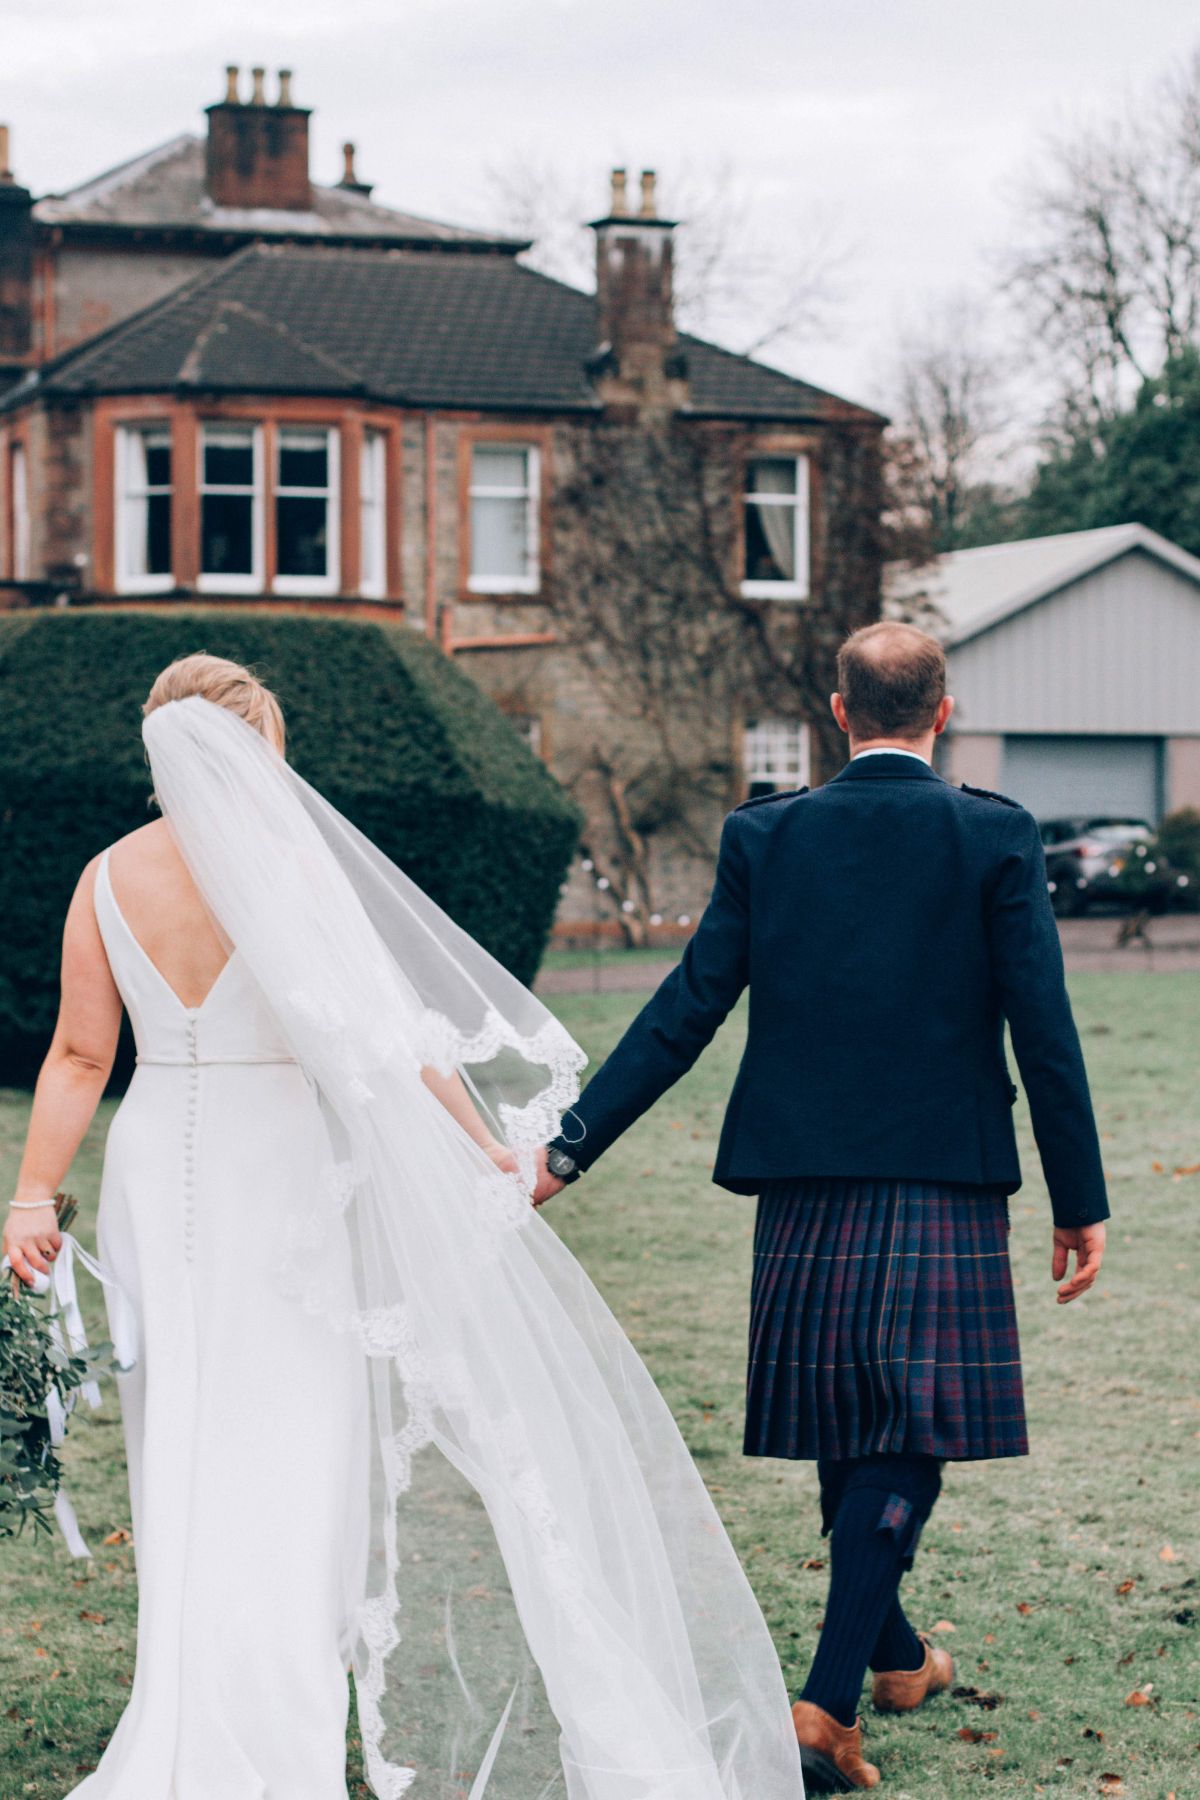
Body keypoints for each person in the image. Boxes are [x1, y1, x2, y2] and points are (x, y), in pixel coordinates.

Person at [3, 654, 803, 1800]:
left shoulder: (103, 877)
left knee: (180, 1440)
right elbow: (388, 1036)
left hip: (155, 1167)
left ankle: (188, 1713)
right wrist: (480, 1148)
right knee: (294, 1447)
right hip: (275, 1170)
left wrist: (31, 1197)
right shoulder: (286, 864)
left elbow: (81, 1055)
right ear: (255, 750)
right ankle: (269, 1727)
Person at [535, 620, 1109, 1792]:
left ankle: (894, 1659)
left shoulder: (769, 835)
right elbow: (1043, 1026)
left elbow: (686, 1009)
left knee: (858, 1425)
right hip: (943, 1173)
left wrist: (569, 1146)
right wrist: (1078, 1197)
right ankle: (825, 1711)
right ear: (943, 712)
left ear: (838, 713)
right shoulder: (993, 834)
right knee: (904, 1433)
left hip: (804, 1177)